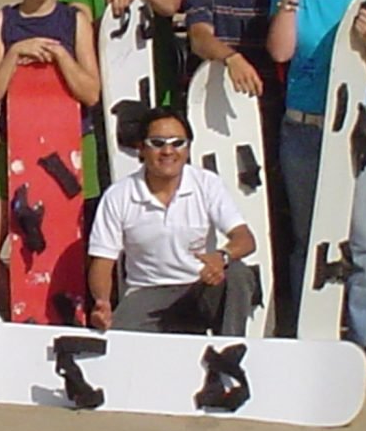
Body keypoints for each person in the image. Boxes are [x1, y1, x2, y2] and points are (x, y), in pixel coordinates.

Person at [266, 0, 366, 368]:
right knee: (309, 234)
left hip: (357, 124)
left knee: (365, 237)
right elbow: (280, 51)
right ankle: (311, 328)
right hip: (304, 126)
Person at [0, 0, 100, 309]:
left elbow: (90, 92)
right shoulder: (2, 22)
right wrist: (14, 56)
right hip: (16, 147)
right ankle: (24, 311)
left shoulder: (73, 20)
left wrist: (61, 58)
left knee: (70, 251)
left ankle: (65, 320)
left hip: (71, 146)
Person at [182, 0, 291, 328]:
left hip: (271, 120)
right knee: (218, 218)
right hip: (217, 126)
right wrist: (230, 59)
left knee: (275, 222)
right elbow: (198, 37)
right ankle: (218, 310)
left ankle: (276, 316)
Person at [58, 0, 186, 206]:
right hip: (100, 112)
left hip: (158, 109)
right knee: (101, 199)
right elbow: (80, 29)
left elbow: (171, 4)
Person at [87, 107, 258, 335]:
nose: (168, 151)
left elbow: (245, 239)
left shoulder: (207, 183)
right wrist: (102, 303)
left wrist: (221, 257)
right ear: (141, 148)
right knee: (117, 342)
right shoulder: (119, 195)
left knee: (237, 273)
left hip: (200, 287)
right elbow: (102, 260)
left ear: (188, 148)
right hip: (148, 293)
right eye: (157, 143)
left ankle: (229, 352)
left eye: (178, 143)